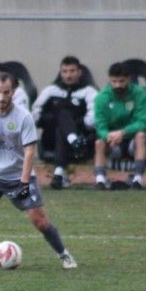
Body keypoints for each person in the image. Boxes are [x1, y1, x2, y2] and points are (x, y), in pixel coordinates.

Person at [0, 71, 77, 270]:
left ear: (14, 92)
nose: (2, 97)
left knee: (40, 221)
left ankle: (64, 254)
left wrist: (24, 182)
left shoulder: (23, 116)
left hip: (19, 175)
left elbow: (29, 152)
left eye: (6, 92)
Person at [32, 56, 97, 190]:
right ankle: (73, 140)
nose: (68, 75)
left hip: (80, 138)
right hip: (52, 139)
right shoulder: (50, 91)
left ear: (79, 72)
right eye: (65, 71)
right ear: (61, 73)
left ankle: (58, 174)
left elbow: (92, 120)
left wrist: (71, 124)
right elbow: (35, 116)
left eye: (72, 71)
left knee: (61, 127)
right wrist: (57, 118)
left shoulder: (89, 91)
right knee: (60, 113)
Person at [92, 62, 146, 190]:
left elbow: (142, 122)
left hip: (132, 141)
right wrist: (108, 136)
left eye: (121, 81)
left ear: (129, 79)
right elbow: (100, 126)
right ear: (109, 80)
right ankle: (100, 181)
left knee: (141, 136)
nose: (118, 85)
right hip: (112, 142)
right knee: (98, 143)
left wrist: (123, 132)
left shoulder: (139, 94)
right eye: (114, 81)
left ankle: (137, 180)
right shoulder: (102, 98)